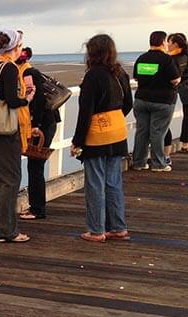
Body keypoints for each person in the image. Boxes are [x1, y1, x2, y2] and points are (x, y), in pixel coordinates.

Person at [70, 34, 133, 243]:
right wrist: (114, 117)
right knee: (113, 181)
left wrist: (77, 141)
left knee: (95, 183)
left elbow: (85, 112)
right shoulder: (120, 72)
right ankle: (117, 227)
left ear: (92, 53)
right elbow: (128, 103)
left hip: (97, 135)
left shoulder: (92, 76)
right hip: (118, 132)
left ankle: (96, 230)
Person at [0, 29, 31, 243]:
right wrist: (27, 98)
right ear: (16, 48)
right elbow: (12, 100)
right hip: (5, 130)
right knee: (10, 178)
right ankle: (7, 230)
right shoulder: (10, 69)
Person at [16, 47, 61, 220]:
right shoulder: (29, 70)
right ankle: (36, 206)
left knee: (35, 165)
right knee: (35, 165)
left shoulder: (27, 73)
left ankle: (37, 209)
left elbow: (38, 100)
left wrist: (35, 125)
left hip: (42, 125)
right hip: (46, 122)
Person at [132, 31, 181, 172]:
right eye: (166, 42)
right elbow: (175, 79)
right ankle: (158, 164)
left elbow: (136, 78)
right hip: (162, 101)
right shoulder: (167, 60)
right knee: (158, 132)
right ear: (162, 42)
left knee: (141, 132)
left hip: (141, 100)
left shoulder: (141, 58)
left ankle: (139, 162)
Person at [163, 33, 188, 163]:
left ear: (175, 44)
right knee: (164, 125)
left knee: (163, 126)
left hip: (166, 96)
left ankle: (165, 156)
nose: (167, 44)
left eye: (169, 42)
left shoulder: (171, 60)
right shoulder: (185, 57)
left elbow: (172, 78)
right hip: (172, 95)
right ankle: (165, 156)